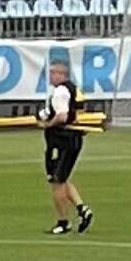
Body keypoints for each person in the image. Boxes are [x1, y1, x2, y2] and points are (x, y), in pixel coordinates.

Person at [40, 57, 94, 236]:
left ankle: (63, 222)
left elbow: (62, 116)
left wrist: (48, 124)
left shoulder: (61, 91)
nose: (50, 76)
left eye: (52, 73)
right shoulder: (73, 90)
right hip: (71, 139)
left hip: (62, 140)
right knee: (61, 178)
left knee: (57, 181)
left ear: (61, 74)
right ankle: (82, 209)